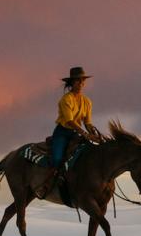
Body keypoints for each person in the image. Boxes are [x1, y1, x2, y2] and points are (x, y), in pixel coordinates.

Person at [36, 67, 103, 199]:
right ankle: (47, 185)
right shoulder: (66, 99)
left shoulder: (87, 102)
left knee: (88, 154)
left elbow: (87, 122)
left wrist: (94, 133)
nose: (81, 84)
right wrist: (85, 134)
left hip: (77, 133)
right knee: (57, 158)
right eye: (78, 81)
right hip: (63, 132)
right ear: (71, 83)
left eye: (83, 81)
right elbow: (70, 121)